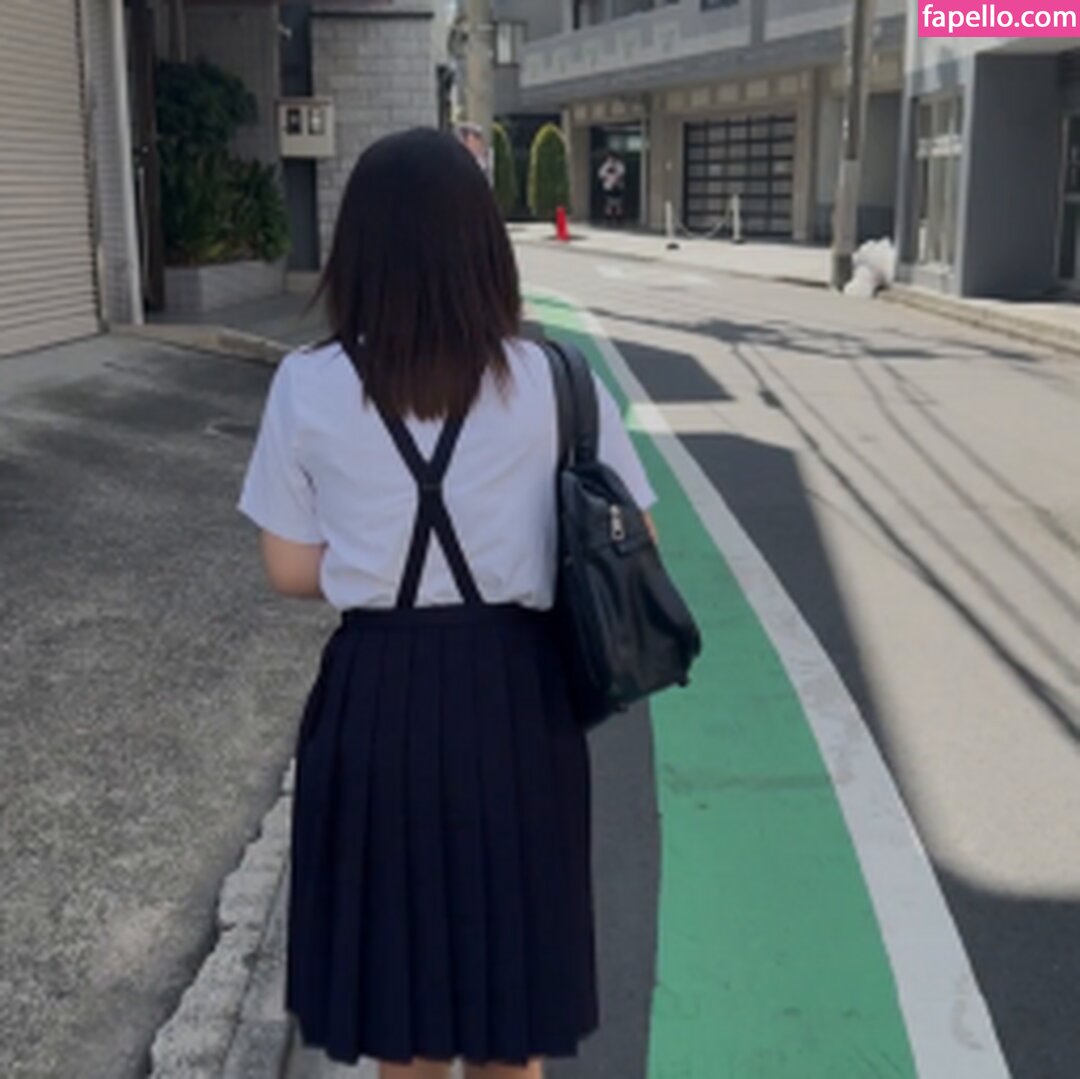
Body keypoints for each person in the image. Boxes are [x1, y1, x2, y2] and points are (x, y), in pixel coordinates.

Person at [238, 128, 657, 1079]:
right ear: (484, 247)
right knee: (511, 1025)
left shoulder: (308, 385)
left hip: (376, 699)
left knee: (408, 1018)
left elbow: (288, 566)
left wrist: (375, 563)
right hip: (519, 699)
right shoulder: (556, 381)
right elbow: (635, 540)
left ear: (356, 253)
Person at [597, 151, 626, 225]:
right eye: (609, 158)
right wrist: (608, 177)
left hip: (618, 187)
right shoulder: (605, 165)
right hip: (608, 187)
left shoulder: (619, 164)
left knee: (618, 204)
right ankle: (608, 219)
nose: (610, 159)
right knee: (608, 203)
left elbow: (622, 173)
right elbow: (601, 175)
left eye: (612, 158)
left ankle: (619, 219)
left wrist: (615, 179)